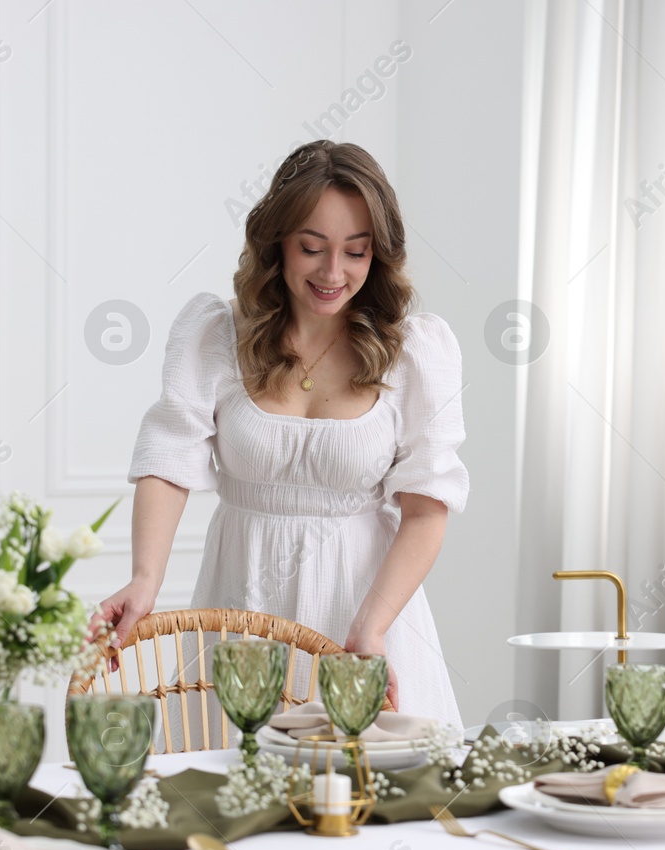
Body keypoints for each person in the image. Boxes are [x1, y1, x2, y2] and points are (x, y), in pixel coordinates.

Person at [96, 140, 468, 726]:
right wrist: (146, 580)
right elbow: (168, 460)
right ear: (276, 244)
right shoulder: (215, 334)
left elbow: (426, 510)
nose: (332, 273)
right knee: (233, 793)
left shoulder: (415, 350)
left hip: (366, 613)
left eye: (356, 252)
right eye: (311, 248)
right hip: (240, 600)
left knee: (370, 801)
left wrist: (370, 629)